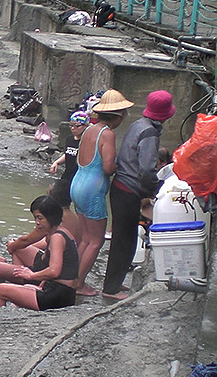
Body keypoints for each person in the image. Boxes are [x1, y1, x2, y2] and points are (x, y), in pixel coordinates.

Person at [102, 90, 175, 300]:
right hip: (129, 189)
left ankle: (114, 283)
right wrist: (158, 186)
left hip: (121, 187)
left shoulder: (138, 124)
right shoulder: (150, 133)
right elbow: (146, 170)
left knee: (125, 238)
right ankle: (111, 288)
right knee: (124, 241)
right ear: (166, 115)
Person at [69, 89, 133, 296]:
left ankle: (73, 279)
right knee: (95, 242)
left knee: (86, 239)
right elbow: (107, 168)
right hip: (93, 188)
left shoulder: (88, 130)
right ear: (118, 115)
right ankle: (78, 284)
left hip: (77, 183)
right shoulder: (107, 133)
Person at [0, 196, 79, 311]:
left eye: (40, 218)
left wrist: (30, 275)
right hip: (63, 293)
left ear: (51, 217)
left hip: (57, 296)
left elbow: (54, 271)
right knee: (26, 287)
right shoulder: (62, 231)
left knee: (0, 290)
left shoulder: (57, 237)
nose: (37, 222)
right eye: (35, 218)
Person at [0, 181, 82, 281]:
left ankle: (7, 268)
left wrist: (11, 247)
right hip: (52, 261)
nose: (37, 222)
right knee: (18, 248)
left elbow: (26, 241)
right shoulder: (71, 217)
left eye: (39, 218)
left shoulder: (52, 226)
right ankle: (18, 277)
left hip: (49, 270)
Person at [50, 111, 90, 186]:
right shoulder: (70, 138)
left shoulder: (87, 141)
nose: (73, 128)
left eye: (77, 126)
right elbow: (68, 153)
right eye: (71, 125)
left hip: (80, 178)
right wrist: (56, 162)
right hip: (67, 174)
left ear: (86, 126)